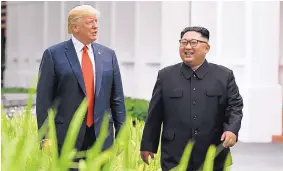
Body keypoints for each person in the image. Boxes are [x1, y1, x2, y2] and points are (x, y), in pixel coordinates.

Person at [140, 26, 243, 171]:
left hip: (212, 152)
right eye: (183, 42)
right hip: (175, 154)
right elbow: (155, 114)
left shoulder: (224, 76)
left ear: (206, 48)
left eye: (194, 42)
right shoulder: (166, 76)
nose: (187, 47)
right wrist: (148, 145)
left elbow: (235, 106)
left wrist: (232, 130)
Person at [36, 4, 126, 160]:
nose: (95, 26)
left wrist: (121, 135)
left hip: (102, 138)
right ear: (75, 27)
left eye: (96, 22)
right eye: (90, 22)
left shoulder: (108, 55)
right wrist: (45, 137)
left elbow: (117, 99)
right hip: (66, 138)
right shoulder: (53, 54)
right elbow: (44, 100)